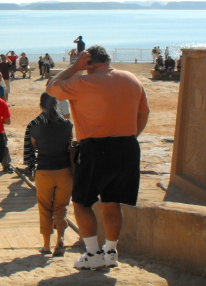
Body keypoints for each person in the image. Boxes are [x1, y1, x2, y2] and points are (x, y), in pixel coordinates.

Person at [47, 45, 149, 270]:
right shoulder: (132, 79)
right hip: (128, 147)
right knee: (113, 202)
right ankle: (111, 252)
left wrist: (74, 67)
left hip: (95, 147)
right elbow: (144, 112)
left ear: (89, 63)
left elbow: (51, 87)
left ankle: (92, 253)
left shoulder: (82, 82)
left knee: (82, 202)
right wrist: (131, 136)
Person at [29, 93, 73, 256]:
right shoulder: (67, 124)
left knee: (45, 208)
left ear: (41, 105)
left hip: (45, 170)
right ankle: (60, 239)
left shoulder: (35, 126)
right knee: (61, 207)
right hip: (64, 171)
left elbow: (32, 150)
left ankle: (46, 245)